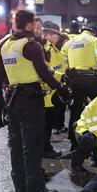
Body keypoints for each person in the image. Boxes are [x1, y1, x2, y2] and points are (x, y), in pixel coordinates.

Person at [0, 9, 64, 192]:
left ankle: (21, 187)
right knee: (32, 145)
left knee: (15, 145)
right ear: (30, 24)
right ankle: (36, 190)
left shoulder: (5, 44)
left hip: (12, 100)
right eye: (35, 23)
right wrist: (60, 87)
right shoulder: (30, 45)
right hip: (31, 100)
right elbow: (44, 74)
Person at [61, 23, 97, 152]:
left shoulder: (69, 43)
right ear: (94, 32)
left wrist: (68, 72)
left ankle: (74, 142)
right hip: (91, 78)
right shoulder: (95, 41)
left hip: (75, 79)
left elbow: (62, 61)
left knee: (75, 110)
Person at [41, 21, 66, 159]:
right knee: (46, 124)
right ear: (49, 34)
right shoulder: (46, 49)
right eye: (56, 35)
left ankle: (46, 147)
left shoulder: (53, 47)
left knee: (49, 124)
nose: (58, 38)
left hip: (53, 91)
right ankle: (45, 149)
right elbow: (47, 71)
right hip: (48, 93)